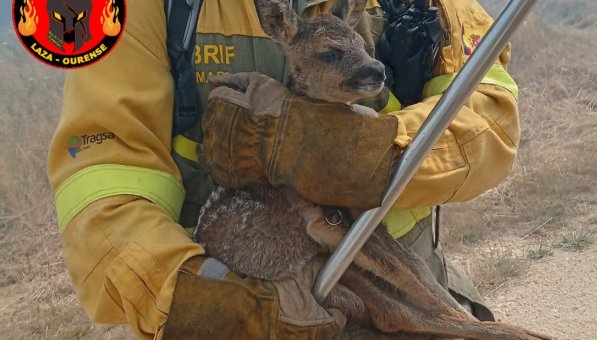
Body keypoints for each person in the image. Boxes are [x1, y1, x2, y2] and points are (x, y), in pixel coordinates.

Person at [47, 0, 520, 338]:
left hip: (411, 289)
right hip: (252, 300)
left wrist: (367, 154)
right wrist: (188, 298)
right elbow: (104, 173)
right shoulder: (140, 11)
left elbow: (490, 115)